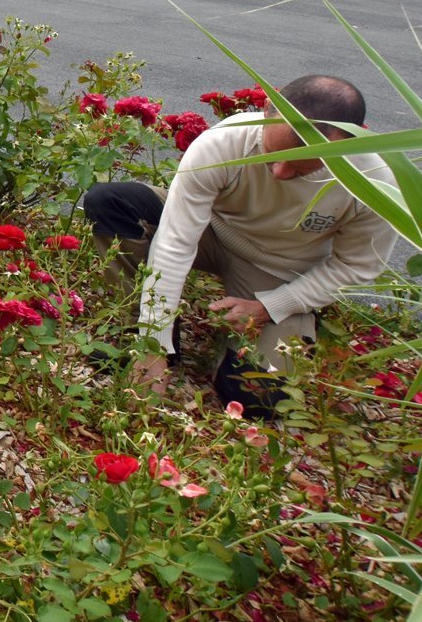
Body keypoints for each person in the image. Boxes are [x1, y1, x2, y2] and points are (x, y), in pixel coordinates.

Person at [81, 75, 397, 412]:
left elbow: (356, 266)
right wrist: (153, 343)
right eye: (271, 154)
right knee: (111, 201)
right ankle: (155, 331)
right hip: (213, 234)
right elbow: (175, 242)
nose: (279, 173)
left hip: (279, 268)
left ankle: (241, 343)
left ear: (350, 139)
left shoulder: (375, 181)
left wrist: (270, 306)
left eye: (301, 168)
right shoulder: (223, 142)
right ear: (266, 108)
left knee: (257, 398)